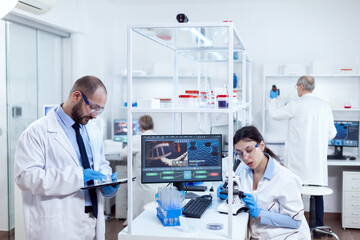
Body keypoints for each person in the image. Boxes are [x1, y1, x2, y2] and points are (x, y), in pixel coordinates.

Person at [14, 76, 119, 240]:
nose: (95, 115)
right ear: (76, 96)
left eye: (100, 110)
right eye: (93, 107)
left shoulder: (92, 129)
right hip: (58, 225)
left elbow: (101, 164)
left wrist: (106, 181)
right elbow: (25, 178)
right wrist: (78, 176)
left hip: (92, 220)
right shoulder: (36, 132)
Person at [268, 75, 337, 235]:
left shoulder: (295, 105)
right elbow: (332, 133)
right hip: (317, 168)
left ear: (300, 87)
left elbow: (274, 115)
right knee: (317, 194)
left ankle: (297, 227)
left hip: (298, 166)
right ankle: (319, 230)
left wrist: (272, 100)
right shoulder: (324, 106)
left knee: (295, 195)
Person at [228, 126, 311, 239]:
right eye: (239, 153)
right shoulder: (242, 168)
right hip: (260, 235)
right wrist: (227, 191)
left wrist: (260, 214)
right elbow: (234, 185)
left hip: (286, 236)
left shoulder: (285, 178)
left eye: (249, 150)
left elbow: (295, 221)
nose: (245, 157)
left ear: (261, 146)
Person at [119, 115, 165, 218]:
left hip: (142, 187)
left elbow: (123, 154)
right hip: (157, 185)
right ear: (152, 125)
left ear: (140, 127)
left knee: (138, 216)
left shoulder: (136, 139)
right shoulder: (160, 137)